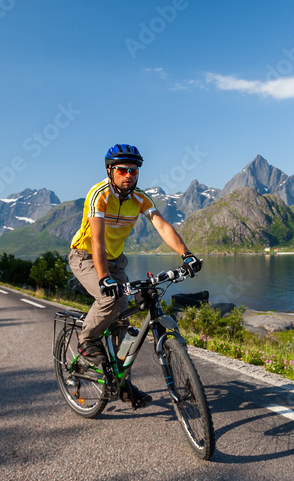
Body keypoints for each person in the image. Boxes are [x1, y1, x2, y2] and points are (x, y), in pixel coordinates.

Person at [68, 144, 201, 406]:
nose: (129, 175)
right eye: (122, 170)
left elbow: (161, 225)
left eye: (134, 170)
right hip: (85, 257)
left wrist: (186, 255)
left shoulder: (141, 198)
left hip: (116, 261)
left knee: (122, 321)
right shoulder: (99, 196)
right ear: (110, 171)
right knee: (108, 301)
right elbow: (96, 241)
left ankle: (121, 383)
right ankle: (86, 342)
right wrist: (104, 277)